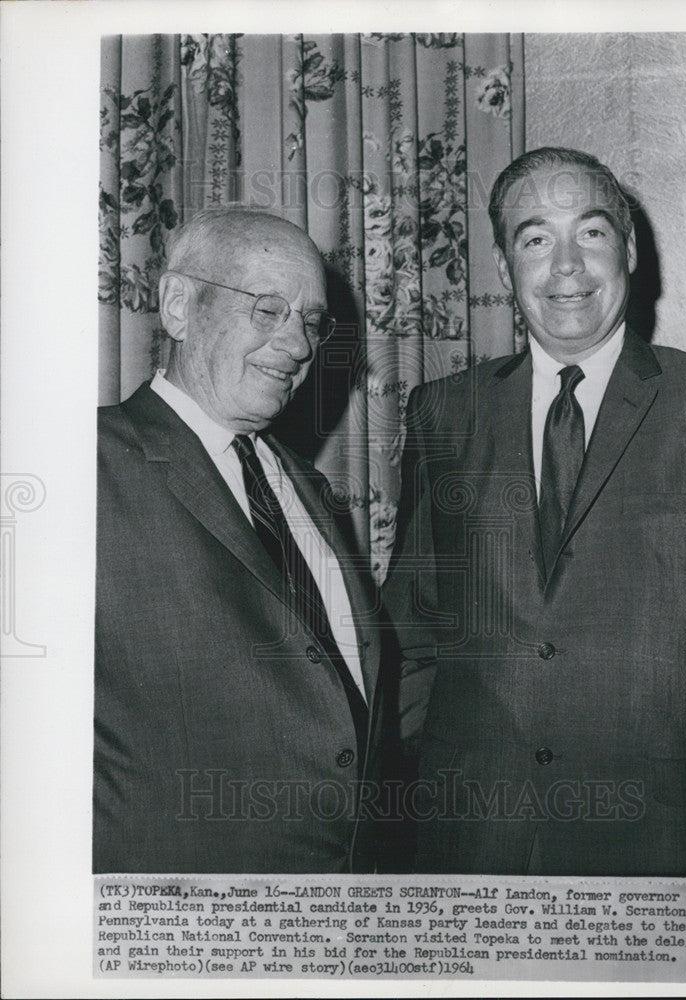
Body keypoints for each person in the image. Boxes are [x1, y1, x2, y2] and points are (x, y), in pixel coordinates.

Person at [384, 147, 686, 877]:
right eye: (535, 239)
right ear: (505, 269)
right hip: (475, 844)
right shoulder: (444, 413)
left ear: (628, 249)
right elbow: (413, 633)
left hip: (665, 848)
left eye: (591, 233)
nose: (567, 265)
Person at [94, 206, 392, 873]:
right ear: (178, 305)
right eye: (267, 310)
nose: (297, 347)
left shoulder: (306, 490)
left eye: (311, 322)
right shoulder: (83, 465)